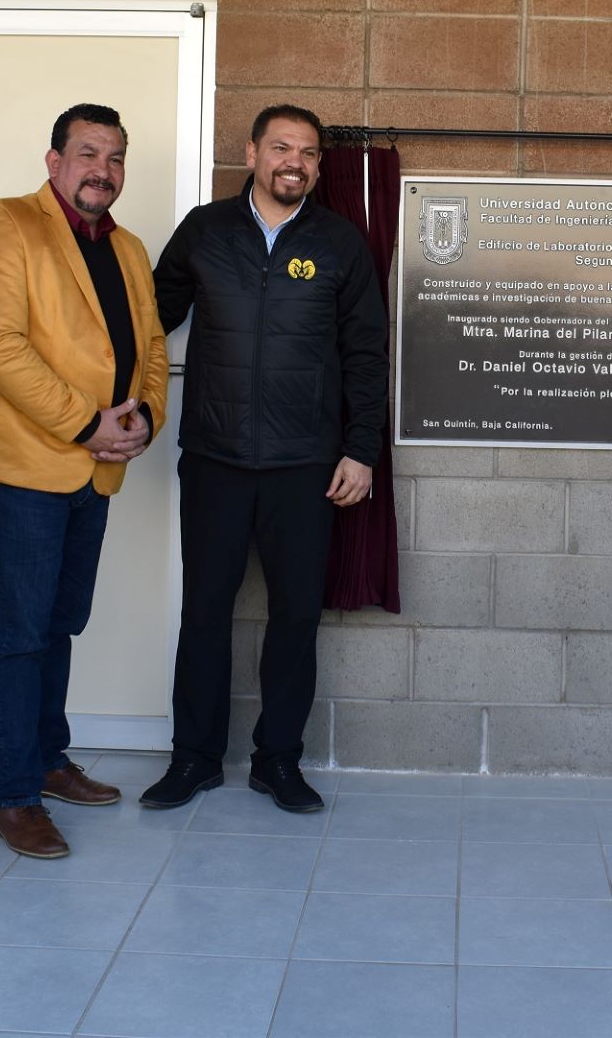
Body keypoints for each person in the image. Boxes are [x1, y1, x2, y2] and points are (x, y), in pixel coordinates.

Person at [142, 104, 388, 814]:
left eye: (308, 153)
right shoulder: (204, 231)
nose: (295, 162)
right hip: (215, 457)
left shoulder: (341, 243)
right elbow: (149, 318)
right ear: (250, 153)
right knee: (205, 614)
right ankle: (194, 759)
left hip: (305, 464)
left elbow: (366, 356)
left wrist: (360, 451)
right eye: (282, 147)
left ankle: (278, 761)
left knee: (293, 619)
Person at [0, 103, 169, 859]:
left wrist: (146, 420)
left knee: (60, 623)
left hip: (96, 468)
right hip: (21, 466)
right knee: (19, 630)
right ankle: (13, 797)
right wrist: (87, 423)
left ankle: (46, 758)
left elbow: (152, 345)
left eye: (114, 157)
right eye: (86, 153)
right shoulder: (4, 223)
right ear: (53, 161)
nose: (101, 170)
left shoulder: (131, 248)